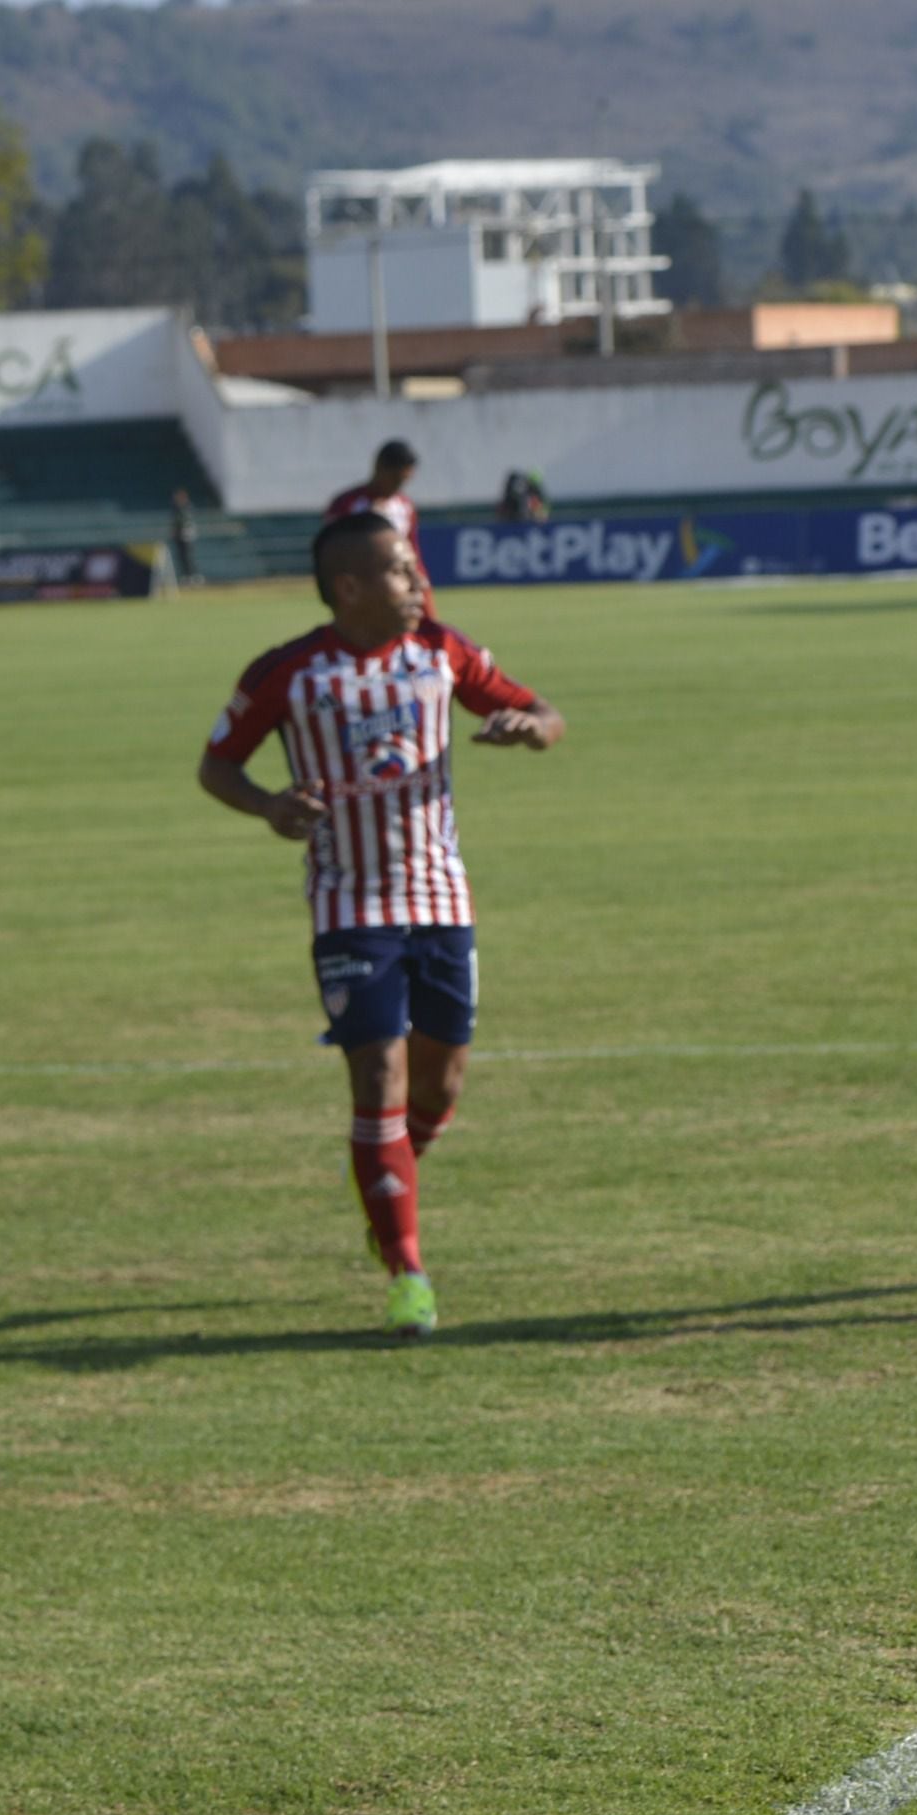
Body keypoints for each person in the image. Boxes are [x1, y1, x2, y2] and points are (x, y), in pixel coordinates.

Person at [193, 511, 564, 1337]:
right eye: (402, 572)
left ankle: (383, 1181)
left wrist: (528, 729)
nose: (418, 585)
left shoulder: (442, 650)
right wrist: (269, 806)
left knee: (441, 1086)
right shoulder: (289, 673)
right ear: (351, 586)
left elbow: (544, 709)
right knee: (378, 1081)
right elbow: (216, 764)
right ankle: (408, 1271)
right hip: (349, 903)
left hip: (442, 898)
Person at [326, 439, 420, 550]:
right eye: (395, 479)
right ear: (379, 467)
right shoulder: (346, 503)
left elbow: (412, 549)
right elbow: (331, 548)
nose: (398, 486)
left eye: (404, 480)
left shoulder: (406, 506)